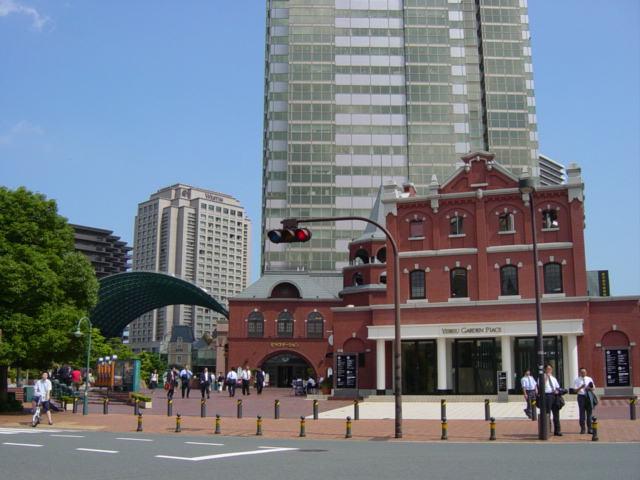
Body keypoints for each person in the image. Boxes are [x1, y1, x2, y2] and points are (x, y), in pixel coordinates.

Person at [574, 367, 596, 434]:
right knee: (582, 413)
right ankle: (583, 429)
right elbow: (575, 391)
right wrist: (581, 387)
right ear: (580, 373)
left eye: (584, 372)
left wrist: (589, 388)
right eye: (582, 372)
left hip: (588, 396)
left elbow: (593, 388)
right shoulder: (577, 380)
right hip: (581, 396)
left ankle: (590, 429)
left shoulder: (589, 379)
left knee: (589, 413)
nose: (583, 373)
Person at [543, 364, 563, 436]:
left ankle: (557, 430)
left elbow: (558, 387)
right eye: (548, 369)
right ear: (545, 370)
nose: (549, 370)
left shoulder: (554, 378)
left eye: (550, 369)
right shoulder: (542, 377)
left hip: (555, 396)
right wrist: (546, 378)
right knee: (547, 413)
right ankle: (548, 430)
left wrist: (557, 391)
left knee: (556, 414)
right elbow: (541, 386)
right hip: (547, 396)